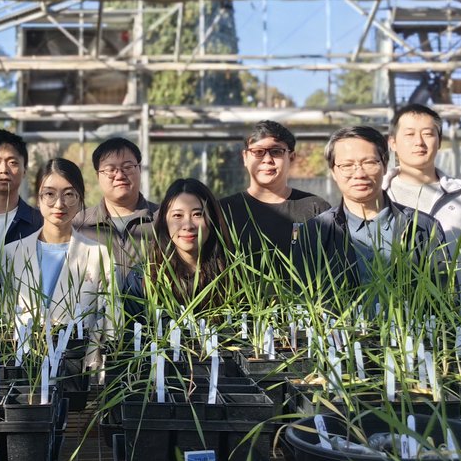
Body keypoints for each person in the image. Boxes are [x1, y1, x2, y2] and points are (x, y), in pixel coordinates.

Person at [297, 125, 443, 295]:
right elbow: (303, 299)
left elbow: (442, 297)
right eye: (347, 165)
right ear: (333, 172)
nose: (359, 174)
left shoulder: (423, 227)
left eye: (369, 163)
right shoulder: (314, 232)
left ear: (385, 165)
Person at [385, 103, 461, 284]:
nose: (419, 142)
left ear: (439, 141)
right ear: (392, 143)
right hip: (392, 302)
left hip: (457, 302)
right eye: (409, 134)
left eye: (428, 134)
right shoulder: (378, 194)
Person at [1, 158, 111, 330]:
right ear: (37, 199)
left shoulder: (98, 255)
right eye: (49, 194)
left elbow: (109, 323)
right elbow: (3, 319)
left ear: (80, 199)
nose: (59, 204)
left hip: (81, 348)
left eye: (69, 194)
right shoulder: (12, 254)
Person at [219, 120, 330, 262]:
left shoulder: (316, 209)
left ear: (291, 157)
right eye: (258, 152)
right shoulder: (223, 211)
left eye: (276, 151)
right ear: (245, 157)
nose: (267, 159)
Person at [120, 178, 230, 320]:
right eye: (178, 215)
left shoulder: (232, 275)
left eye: (197, 214)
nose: (188, 225)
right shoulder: (142, 278)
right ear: (164, 221)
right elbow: (130, 332)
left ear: (212, 219)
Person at [72, 137, 157, 279]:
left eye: (127, 167)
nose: (119, 175)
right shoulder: (80, 224)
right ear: (98, 175)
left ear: (140, 169)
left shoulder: (162, 218)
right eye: (110, 170)